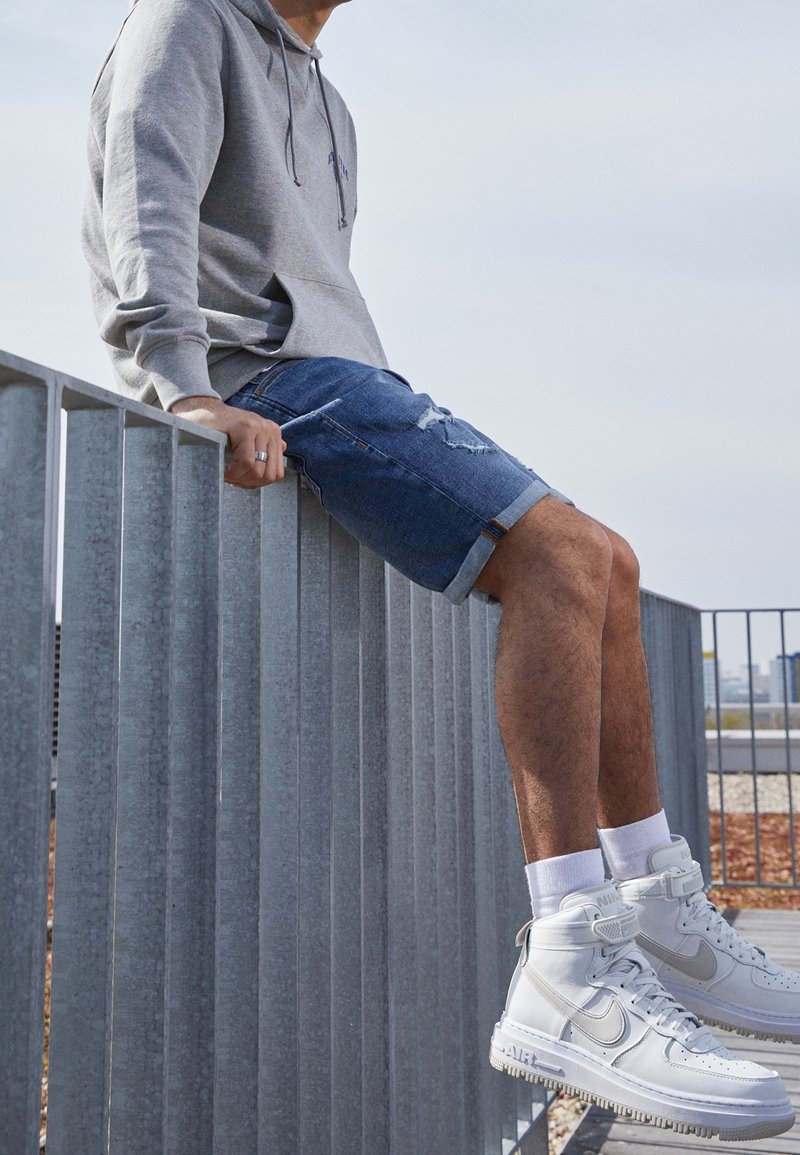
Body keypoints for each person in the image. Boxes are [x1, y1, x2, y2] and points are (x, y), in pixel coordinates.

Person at [83, 0, 799, 1141]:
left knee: (609, 563)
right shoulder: (188, 20)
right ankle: (569, 959)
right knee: (561, 561)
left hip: (349, 377)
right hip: (265, 379)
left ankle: (656, 902)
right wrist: (184, 385)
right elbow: (146, 188)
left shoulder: (329, 104)